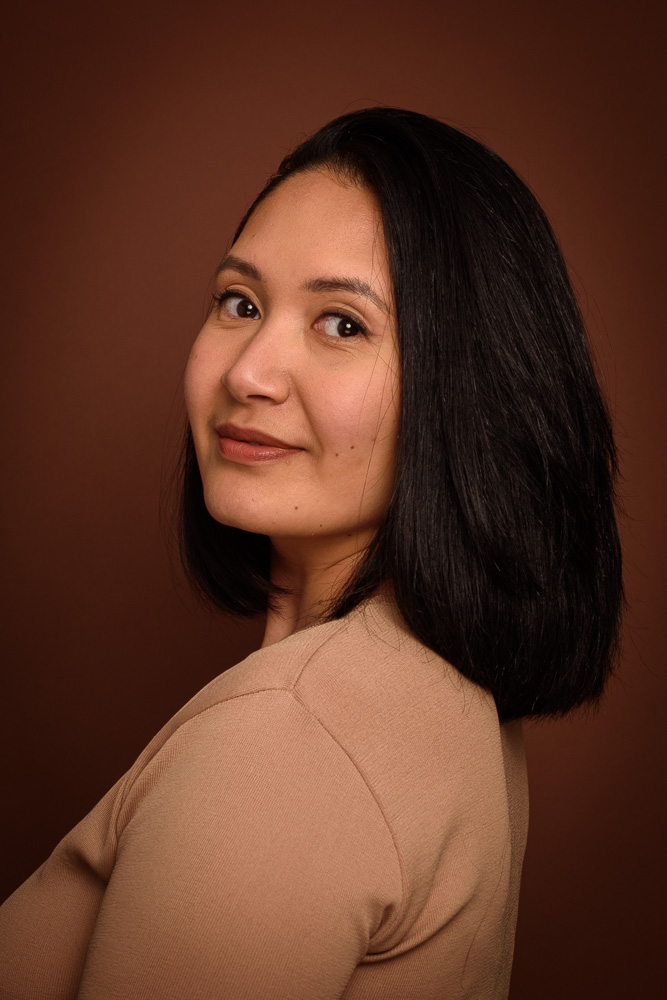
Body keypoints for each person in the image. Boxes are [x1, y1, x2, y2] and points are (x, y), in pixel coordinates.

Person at [0, 107, 623, 999]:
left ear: (467, 390)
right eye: (240, 303)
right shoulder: (437, 695)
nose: (247, 372)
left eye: (342, 324)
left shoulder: (291, 739)